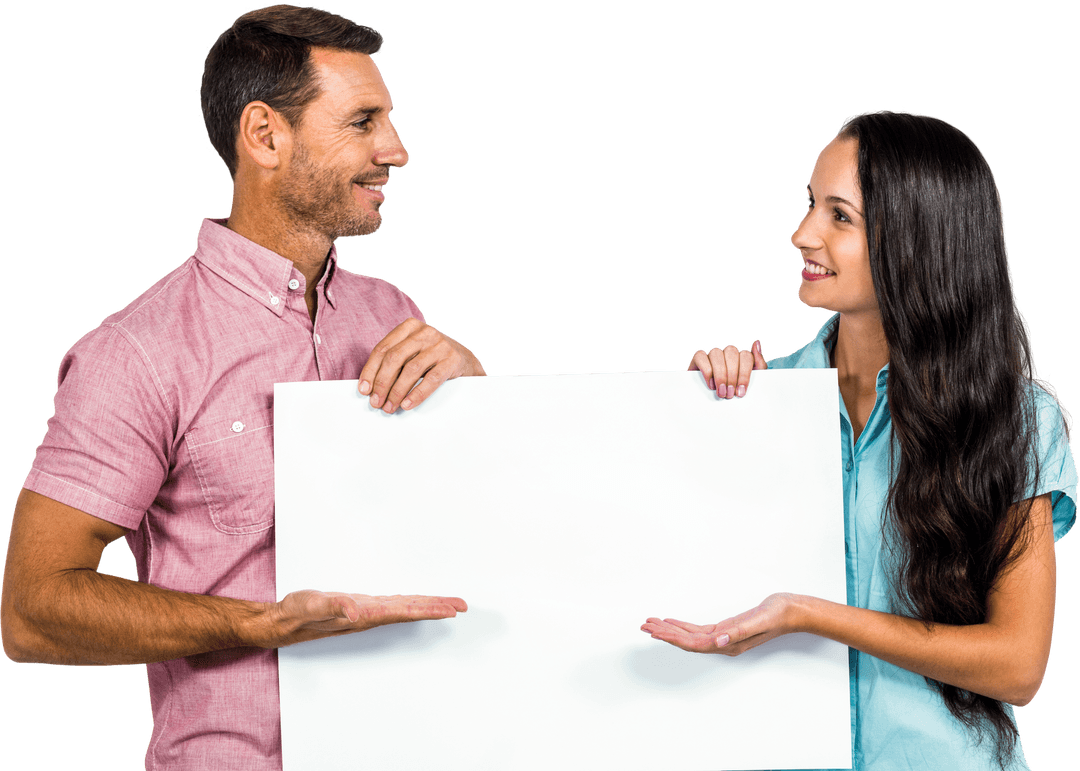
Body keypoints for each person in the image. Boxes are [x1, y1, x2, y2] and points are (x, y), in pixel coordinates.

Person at [0, 5, 484, 770]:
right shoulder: (138, 352)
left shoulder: (395, 314)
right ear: (265, 135)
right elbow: (33, 611)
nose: (397, 149)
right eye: (363, 121)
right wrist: (265, 623)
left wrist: (477, 400)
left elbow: (477, 532)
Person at [641, 110, 1078, 770]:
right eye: (810, 204)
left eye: (839, 217)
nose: (800, 234)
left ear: (916, 240)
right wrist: (703, 415)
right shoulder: (756, 401)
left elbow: (1017, 665)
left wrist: (813, 615)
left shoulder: (1015, 419)